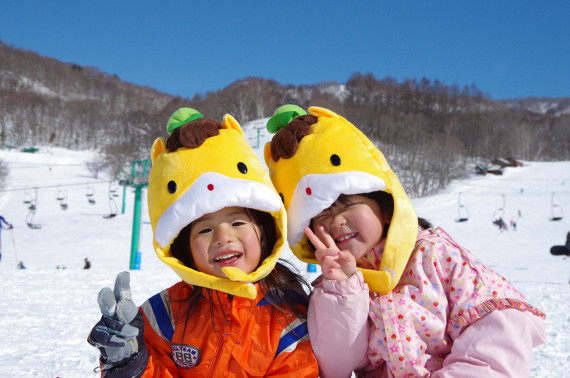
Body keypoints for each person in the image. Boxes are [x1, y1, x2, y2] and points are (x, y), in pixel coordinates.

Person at [264, 105, 546, 377]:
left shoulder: (435, 256)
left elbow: (498, 334)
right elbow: (336, 367)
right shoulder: (332, 287)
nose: (336, 222)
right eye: (321, 214)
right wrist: (341, 291)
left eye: (347, 204)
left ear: (387, 209)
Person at [87, 108, 318, 377]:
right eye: (205, 229)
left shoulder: (288, 313)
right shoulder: (165, 312)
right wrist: (131, 365)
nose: (222, 237)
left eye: (238, 223)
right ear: (185, 248)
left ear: (265, 231)